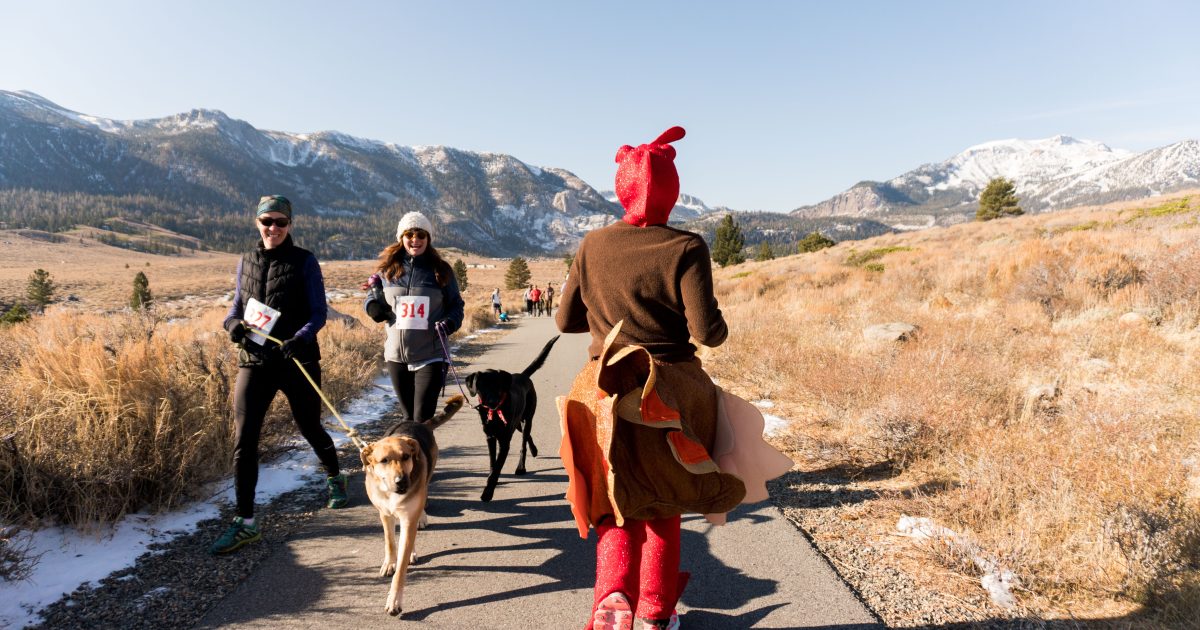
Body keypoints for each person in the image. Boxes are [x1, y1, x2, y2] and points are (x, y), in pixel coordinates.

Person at [556, 127, 787, 630]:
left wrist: (606, 316)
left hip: (605, 388)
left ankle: (611, 598)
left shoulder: (592, 245)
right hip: (672, 391)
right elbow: (708, 332)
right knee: (666, 500)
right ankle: (656, 611)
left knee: (612, 499)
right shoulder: (686, 245)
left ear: (622, 187)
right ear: (671, 190)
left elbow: (564, 321)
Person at [212, 195, 347, 555]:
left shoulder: (304, 261)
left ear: (290, 225)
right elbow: (236, 307)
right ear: (256, 223)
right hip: (254, 362)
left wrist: (299, 338)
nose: (273, 228)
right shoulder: (247, 261)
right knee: (244, 440)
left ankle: (335, 476)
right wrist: (233, 325)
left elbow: (319, 313)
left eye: (280, 223)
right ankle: (245, 522)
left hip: (296, 360)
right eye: (266, 222)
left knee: (308, 425)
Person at [363, 211, 465, 425]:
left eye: (421, 235)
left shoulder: (440, 270)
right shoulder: (388, 271)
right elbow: (373, 296)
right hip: (396, 356)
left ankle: (424, 457)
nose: (415, 240)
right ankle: (416, 458)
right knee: (408, 419)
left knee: (422, 420)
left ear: (428, 239)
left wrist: (450, 323)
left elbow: (456, 304)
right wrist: (372, 306)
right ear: (401, 238)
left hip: (432, 354)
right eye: (410, 234)